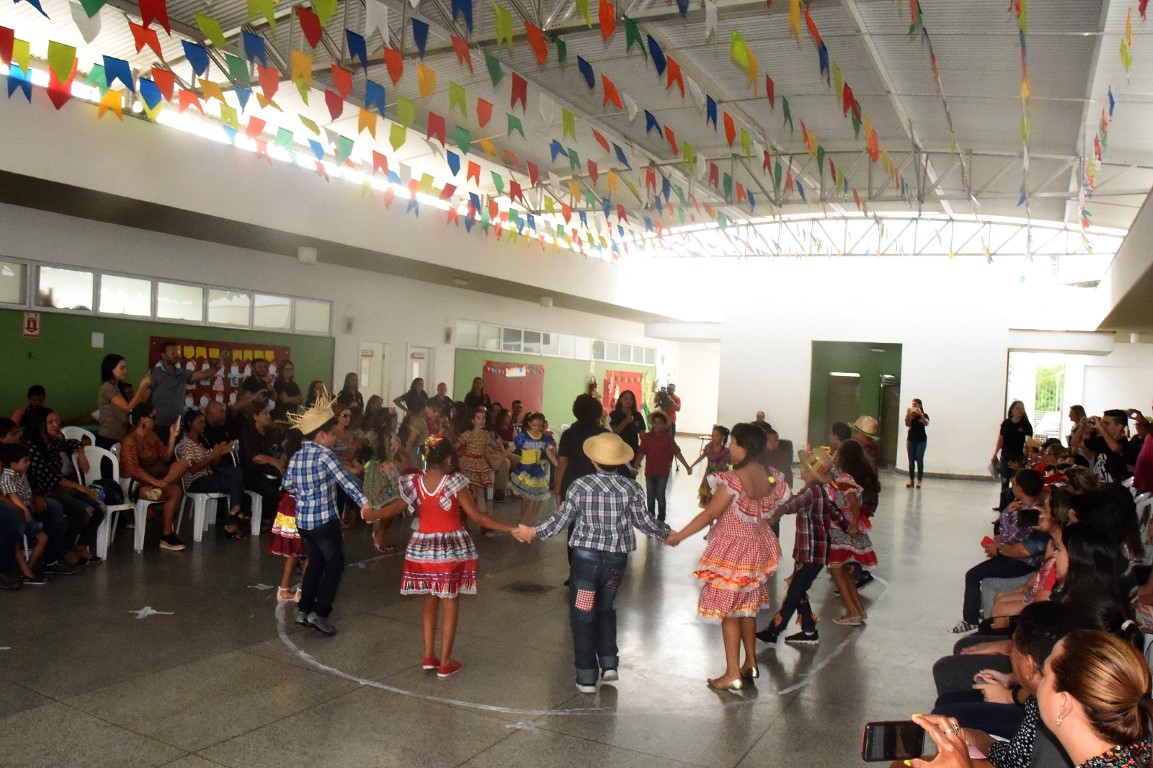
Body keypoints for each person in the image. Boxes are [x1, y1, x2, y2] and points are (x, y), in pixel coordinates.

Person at [513, 432, 672, 693]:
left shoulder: (580, 485)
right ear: (620, 462)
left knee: (583, 614)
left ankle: (586, 676)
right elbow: (643, 521)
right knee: (606, 607)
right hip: (616, 561)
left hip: (586, 560)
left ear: (594, 461)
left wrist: (533, 532)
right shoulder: (631, 487)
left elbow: (561, 521)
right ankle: (609, 664)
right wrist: (667, 534)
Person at [363, 437, 517, 678]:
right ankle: (445, 661)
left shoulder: (414, 482)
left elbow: (395, 508)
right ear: (448, 459)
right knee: (450, 601)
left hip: (422, 547)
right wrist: (511, 528)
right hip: (449, 548)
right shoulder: (455, 482)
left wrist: (372, 514)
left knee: (429, 598)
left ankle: (428, 656)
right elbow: (477, 517)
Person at [912, 630, 1152, 768]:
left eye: (1045, 674)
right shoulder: (1131, 748)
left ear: (1064, 704)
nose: (1037, 683)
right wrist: (977, 737)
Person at [665, 423, 789, 691]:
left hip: (733, 550)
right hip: (756, 547)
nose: (730, 447)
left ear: (744, 446)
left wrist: (678, 536)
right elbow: (773, 510)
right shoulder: (769, 475)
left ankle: (732, 673)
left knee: (730, 610)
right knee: (746, 607)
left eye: (733, 443)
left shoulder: (733, 479)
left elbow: (709, 514)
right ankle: (750, 663)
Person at [283, 391, 373, 637]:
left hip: (304, 522)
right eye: (332, 434)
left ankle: (303, 610)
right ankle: (319, 613)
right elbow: (346, 481)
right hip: (324, 521)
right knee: (335, 565)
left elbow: (287, 485)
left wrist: (306, 493)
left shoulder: (297, 456)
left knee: (315, 563)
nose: (335, 438)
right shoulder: (325, 455)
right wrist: (364, 503)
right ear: (320, 435)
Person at [758, 447, 840, 646]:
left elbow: (791, 506)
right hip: (815, 553)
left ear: (808, 473)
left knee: (794, 592)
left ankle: (774, 630)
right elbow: (834, 512)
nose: (800, 470)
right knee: (798, 589)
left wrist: (774, 515)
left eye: (803, 468)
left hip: (810, 553)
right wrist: (850, 527)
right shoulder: (820, 491)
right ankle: (809, 630)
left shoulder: (811, 492)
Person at [952, 468, 1049, 634]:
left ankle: (970, 620)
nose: (1012, 487)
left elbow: (1010, 537)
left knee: (973, 575)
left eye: (1015, 484)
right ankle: (979, 612)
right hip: (1015, 558)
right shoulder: (1027, 507)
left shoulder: (1028, 513)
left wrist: (1004, 518)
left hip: (1019, 562)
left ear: (1019, 488)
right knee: (984, 574)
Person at [21, 407, 105, 564]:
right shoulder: (31, 446)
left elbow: (74, 442)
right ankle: (65, 549)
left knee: (99, 508)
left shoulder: (51, 441)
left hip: (59, 488)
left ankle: (79, 547)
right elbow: (48, 477)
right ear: (39, 425)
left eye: (57, 421)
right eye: (50, 422)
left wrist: (81, 454)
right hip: (43, 491)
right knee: (85, 510)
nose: (55, 425)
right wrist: (77, 486)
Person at [119, 403, 190, 551]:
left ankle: (166, 535)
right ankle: (166, 533)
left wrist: (172, 437)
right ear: (143, 420)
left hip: (155, 482)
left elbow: (165, 456)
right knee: (173, 490)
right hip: (135, 484)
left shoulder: (152, 436)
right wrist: (155, 481)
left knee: (183, 464)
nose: (155, 421)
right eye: (153, 418)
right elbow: (133, 469)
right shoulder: (129, 440)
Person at [174, 409, 247, 540]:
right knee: (234, 481)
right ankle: (235, 516)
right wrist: (213, 454)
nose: (204, 425)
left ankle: (235, 509)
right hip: (196, 482)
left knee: (235, 471)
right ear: (190, 424)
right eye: (200, 422)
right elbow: (193, 469)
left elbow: (213, 466)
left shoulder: (202, 442)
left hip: (208, 477)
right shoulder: (185, 444)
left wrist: (219, 453)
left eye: (204, 422)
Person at [150, 341, 220, 442]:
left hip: (178, 424)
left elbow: (202, 375)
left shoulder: (182, 373)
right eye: (172, 353)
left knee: (177, 454)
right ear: (163, 356)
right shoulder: (155, 373)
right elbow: (145, 395)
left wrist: (216, 368)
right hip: (158, 424)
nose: (176, 355)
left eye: (176, 352)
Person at [0, 443, 50, 585]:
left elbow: (26, 492)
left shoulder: (21, 474)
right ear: (13, 464)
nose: (29, 463)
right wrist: (25, 509)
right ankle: (27, 572)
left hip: (25, 513)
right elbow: (13, 496)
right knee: (15, 540)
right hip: (19, 515)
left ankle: (27, 568)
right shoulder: (6, 478)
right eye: (26, 461)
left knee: (43, 538)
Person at [633, 412, 692, 522]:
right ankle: (650, 519)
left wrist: (687, 466)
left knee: (660, 496)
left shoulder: (668, 438)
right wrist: (635, 466)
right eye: (655, 423)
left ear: (664, 425)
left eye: (660, 423)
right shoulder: (647, 437)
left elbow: (677, 452)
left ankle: (661, 519)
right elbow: (641, 453)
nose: (657, 425)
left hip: (662, 473)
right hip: (650, 472)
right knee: (650, 497)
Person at [240, 407, 285, 529]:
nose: (268, 416)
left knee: (287, 486)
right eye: (265, 413)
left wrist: (281, 460)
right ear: (255, 416)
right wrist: (273, 461)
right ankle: (264, 518)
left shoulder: (270, 433)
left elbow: (281, 450)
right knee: (271, 490)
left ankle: (279, 518)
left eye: (268, 413)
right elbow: (255, 457)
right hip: (251, 472)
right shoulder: (248, 433)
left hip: (270, 471)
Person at [509, 412, 557, 525]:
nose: (537, 428)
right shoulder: (523, 437)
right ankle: (522, 517)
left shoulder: (544, 439)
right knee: (528, 496)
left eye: (539, 426)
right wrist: (500, 458)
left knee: (539, 495)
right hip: (525, 469)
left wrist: (558, 465)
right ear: (529, 423)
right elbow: (510, 449)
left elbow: (550, 454)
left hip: (537, 470)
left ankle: (533, 518)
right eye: (534, 425)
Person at [96, 354, 152, 449]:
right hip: (107, 438)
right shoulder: (107, 388)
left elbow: (133, 406)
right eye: (121, 368)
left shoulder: (117, 388)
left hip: (119, 437)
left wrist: (145, 389)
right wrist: (141, 387)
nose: (125, 371)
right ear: (111, 370)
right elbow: (128, 408)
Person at [993, 401, 1033, 492]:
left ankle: (1012, 502)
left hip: (1018, 456)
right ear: (1012, 410)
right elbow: (1001, 440)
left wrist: (1028, 456)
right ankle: (1002, 505)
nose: (1020, 410)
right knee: (1004, 482)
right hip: (1006, 455)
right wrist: (995, 454)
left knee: (1015, 482)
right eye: (1018, 408)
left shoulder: (1026, 425)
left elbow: (1029, 443)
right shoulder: (1006, 424)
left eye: (1022, 408)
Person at [690, 425, 730, 509]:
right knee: (708, 497)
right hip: (708, 477)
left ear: (722, 437)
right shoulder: (709, 447)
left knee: (716, 497)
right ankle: (709, 515)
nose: (714, 438)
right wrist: (691, 466)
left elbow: (729, 465)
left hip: (719, 478)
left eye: (717, 436)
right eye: (712, 435)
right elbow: (702, 456)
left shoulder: (725, 452)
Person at [609, 391, 646, 457]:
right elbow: (613, 432)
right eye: (625, 398)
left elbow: (642, 435)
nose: (628, 401)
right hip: (617, 449)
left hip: (632, 449)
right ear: (620, 400)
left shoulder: (637, 415)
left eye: (631, 399)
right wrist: (626, 421)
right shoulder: (614, 414)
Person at [905, 398, 930, 488]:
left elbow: (926, 423)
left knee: (919, 460)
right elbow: (907, 424)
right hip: (911, 439)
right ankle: (911, 479)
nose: (913, 406)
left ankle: (919, 480)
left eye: (915, 404)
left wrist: (921, 415)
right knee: (911, 460)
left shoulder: (924, 414)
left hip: (921, 441)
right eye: (913, 405)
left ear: (920, 405)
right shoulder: (911, 415)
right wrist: (908, 415)